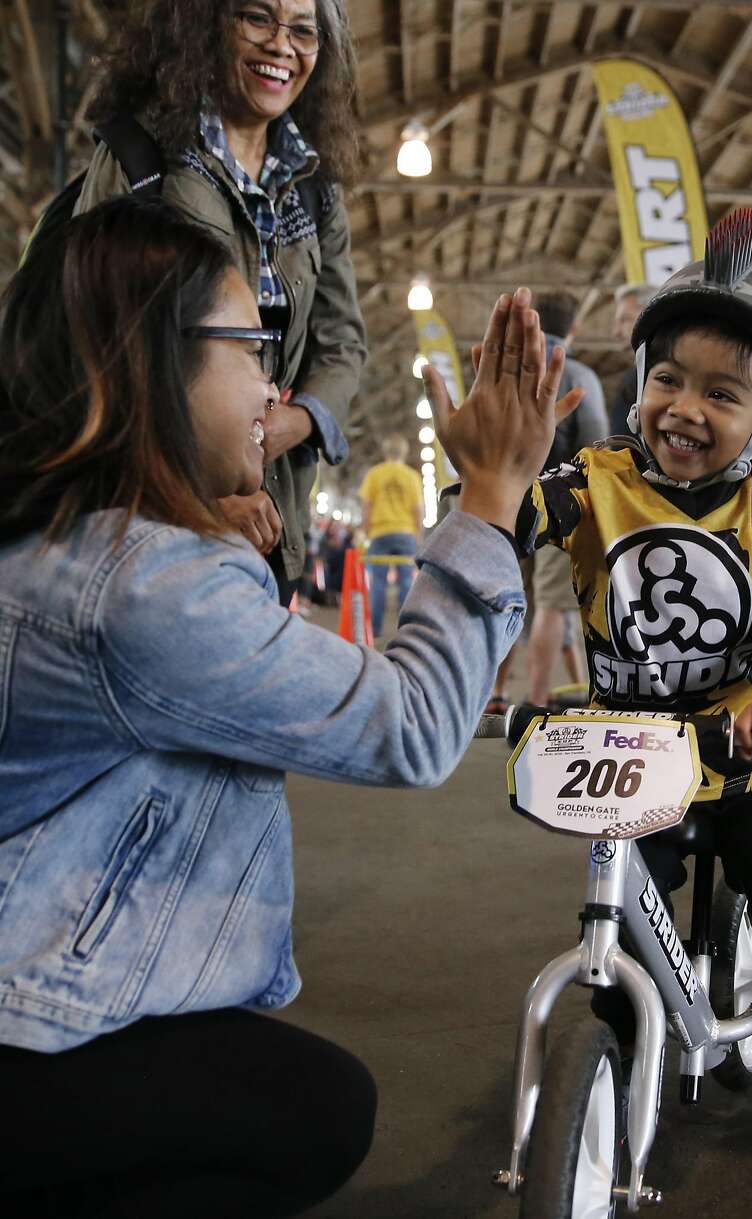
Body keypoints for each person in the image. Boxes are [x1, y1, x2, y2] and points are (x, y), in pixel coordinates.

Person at [0, 200, 579, 1218]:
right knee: (315, 1109)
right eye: (252, 349)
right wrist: (489, 495)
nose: (275, 385)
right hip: (28, 1020)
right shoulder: (146, 587)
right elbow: (412, 725)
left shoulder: (70, 536)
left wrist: (208, 533)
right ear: (153, 365)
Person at [460, 210, 752, 1164]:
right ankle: (610, 1044)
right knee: (617, 915)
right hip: (629, 749)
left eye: (723, 393)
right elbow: (513, 515)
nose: (684, 407)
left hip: (742, 757)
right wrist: (486, 487)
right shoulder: (597, 478)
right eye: (667, 378)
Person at [78, 0, 367, 608]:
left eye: (304, 31)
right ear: (206, 24)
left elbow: (342, 342)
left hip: (274, 518)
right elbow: (100, 341)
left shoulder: (316, 185)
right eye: (257, 18)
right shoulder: (143, 158)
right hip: (156, 513)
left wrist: (296, 422)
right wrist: (207, 484)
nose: (281, 46)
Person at [521, 293, 609, 707]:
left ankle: (503, 693)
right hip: (561, 504)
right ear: (573, 329)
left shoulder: (518, 371)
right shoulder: (578, 375)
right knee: (555, 607)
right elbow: (597, 446)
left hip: (513, 502)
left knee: (521, 603)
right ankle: (537, 702)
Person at [358, 433, 423, 636]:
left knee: (378, 584)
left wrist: (366, 530)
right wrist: (418, 535)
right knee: (406, 583)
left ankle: (375, 631)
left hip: (380, 533)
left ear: (385, 452)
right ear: (404, 452)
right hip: (405, 533)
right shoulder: (412, 476)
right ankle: (405, 632)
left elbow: (366, 505)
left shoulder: (374, 474)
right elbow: (418, 509)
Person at [608, 281, 657, 438]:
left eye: (624, 319)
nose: (616, 332)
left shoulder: (654, 377)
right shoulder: (635, 376)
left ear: (650, 316)